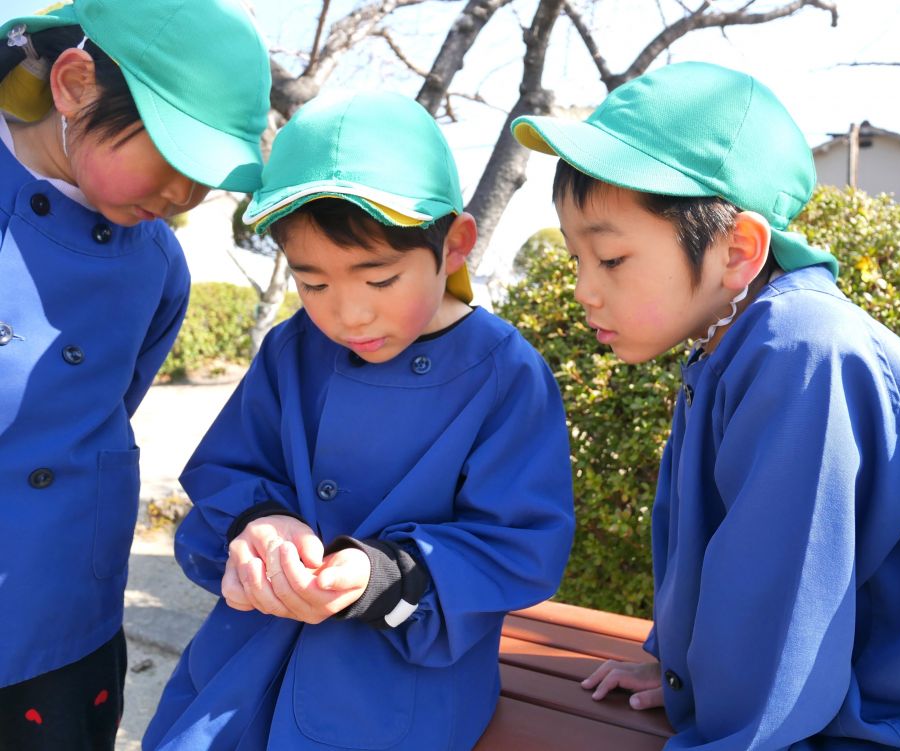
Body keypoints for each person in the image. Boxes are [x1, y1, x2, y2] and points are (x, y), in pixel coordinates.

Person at [511, 61, 900, 750]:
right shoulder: (730, 341)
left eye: (612, 260)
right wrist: (677, 667)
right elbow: (715, 554)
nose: (586, 290)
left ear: (738, 249)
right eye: (577, 261)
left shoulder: (803, 350)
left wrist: (727, 726)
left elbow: (781, 610)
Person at [143, 91, 576, 751]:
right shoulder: (292, 350)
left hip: (397, 675)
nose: (347, 314)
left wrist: (384, 578)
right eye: (312, 282)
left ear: (456, 244)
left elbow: (518, 543)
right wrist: (259, 524)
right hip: (250, 656)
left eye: (378, 280)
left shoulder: (505, 375)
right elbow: (228, 471)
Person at [0, 0, 271, 747]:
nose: (187, 196)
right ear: (76, 83)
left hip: (65, 616)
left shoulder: (156, 266)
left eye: (211, 177)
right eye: (178, 159)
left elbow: (112, 405)